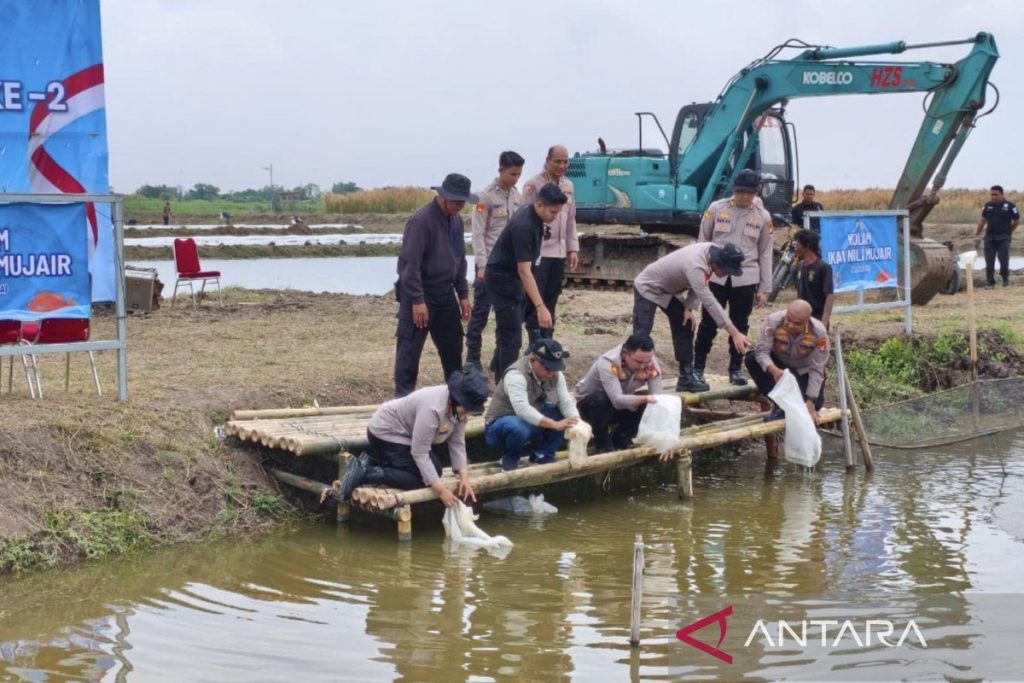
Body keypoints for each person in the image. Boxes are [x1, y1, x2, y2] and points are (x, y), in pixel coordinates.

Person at [339, 368, 490, 506]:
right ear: (457, 399)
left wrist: (464, 476)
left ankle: (370, 462)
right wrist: (441, 491)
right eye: (467, 408)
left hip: (408, 436)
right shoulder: (432, 409)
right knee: (423, 481)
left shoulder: (459, 410)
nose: (467, 414)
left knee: (434, 472)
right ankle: (367, 472)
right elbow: (420, 453)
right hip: (386, 432)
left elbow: (457, 442)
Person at [393, 173, 474, 397]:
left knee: (453, 350)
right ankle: (402, 403)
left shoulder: (456, 221)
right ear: (443, 196)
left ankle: (455, 403)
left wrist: (463, 294)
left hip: (445, 293)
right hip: (420, 294)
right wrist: (417, 300)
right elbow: (409, 265)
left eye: (462, 202)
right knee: (409, 354)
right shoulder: (421, 221)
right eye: (455, 201)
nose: (459, 206)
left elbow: (460, 259)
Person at [632, 241, 751, 392]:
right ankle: (632, 373)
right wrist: (734, 333)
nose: (727, 274)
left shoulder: (710, 253)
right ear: (718, 263)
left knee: (685, 324)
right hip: (648, 286)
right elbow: (709, 301)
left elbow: (701, 282)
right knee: (641, 334)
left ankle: (686, 376)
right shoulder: (697, 265)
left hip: (669, 290)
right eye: (727, 270)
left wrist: (688, 307)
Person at [694, 169, 773, 387]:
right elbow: (702, 241)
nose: (745, 197)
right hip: (716, 275)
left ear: (756, 192)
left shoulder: (762, 216)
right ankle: (698, 367)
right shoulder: (716, 208)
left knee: (740, 323)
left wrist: (764, 288)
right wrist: (702, 271)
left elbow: (766, 252)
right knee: (709, 322)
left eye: (750, 193)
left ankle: (736, 368)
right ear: (734, 190)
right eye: (741, 192)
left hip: (745, 278)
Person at [485, 183, 569, 378]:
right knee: (512, 338)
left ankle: (500, 372)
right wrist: (540, 306)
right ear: (539, 205)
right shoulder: (524, 226)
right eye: (553, 212)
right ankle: (506, 385)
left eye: (558, 212)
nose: (555, 216)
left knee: (509, 333)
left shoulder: (535, 216)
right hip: (503, 280)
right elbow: (523, 271)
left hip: (515, 279)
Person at [465, 151, 525, 370]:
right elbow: (478, 234)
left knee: (507, 315)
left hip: (509, 268)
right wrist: (482, 265)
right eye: (512, 174)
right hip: (489, 265)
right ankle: (472, 358)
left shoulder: (517, 196)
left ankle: (499, 359)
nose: (515, 178)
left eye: (519, 174)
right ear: (501, 170)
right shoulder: (485, 197)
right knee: (480, 314)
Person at [484, 338, 580, 471]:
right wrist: (555, 425)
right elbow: (522, 409)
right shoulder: (515, 375)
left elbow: (566, 402)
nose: (551, 373)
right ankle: (509, 461)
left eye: (555, 368)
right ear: (533, 360)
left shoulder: (555, 375)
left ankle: (542, 456)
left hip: (529, 421)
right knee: (517, 427)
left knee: (561, 414)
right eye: (548, 368)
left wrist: (579, 424)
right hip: (499, 427)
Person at [521, 145, 578, 343]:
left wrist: (573, 248)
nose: (562, 166)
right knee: (536, 298)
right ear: (548, 160)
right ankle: (535, 344)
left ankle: (548, 342)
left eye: (565, 162)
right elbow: (525, 218)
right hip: (540, 252)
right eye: (557, 161)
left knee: (552, 298)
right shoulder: (533, 185)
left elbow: (570, 219)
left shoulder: (568, 185)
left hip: (559, 252)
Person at [574, 333, 663, 453]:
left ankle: (622, 438)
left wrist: (663, 436)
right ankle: (603, 444)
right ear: (625, 353)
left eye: (647, 362)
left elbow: (658, 397)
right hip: (591, 408)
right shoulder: (609, 362)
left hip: (620, 403)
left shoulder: (649, 362)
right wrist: (646, 398)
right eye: (638, 362)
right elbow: (617, 400)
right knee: (600, 398)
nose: (643, 366)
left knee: (651, 401)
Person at [745, 299, 829, 425]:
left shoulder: (819, 333)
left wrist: (811, 401)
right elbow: (762, 351)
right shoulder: (773, 321)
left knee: (814, 404)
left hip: (803, 371)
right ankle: (781, 405)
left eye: (797, 323)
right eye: (788, 320)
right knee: (752, 359)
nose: (790, 325)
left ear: (807, 321)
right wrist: (773, 369)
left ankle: (796, 405)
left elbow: (817, 368)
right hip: (779, 366)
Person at [974, 185, 1019, 289]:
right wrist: (977, 235)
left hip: (1004, 238)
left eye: (996, 195)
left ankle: (1005, 279)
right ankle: (990, 283)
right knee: (989, 261)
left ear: (1002, 194)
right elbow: (982, 221)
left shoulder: (1010, 206)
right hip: (990, 237)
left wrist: (1009, 232)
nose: (993, 197)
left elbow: (1016, 221)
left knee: (1003, 259)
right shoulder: (988, 205)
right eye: (992, 195)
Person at [793, 229, 834, 329]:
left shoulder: (823, 267)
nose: (795, 249)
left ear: (807, 246)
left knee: (812, 339)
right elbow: (799, 294)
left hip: (817, 321)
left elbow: (829, 296)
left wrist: (824, 321)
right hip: (802, 320)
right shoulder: (799, 267)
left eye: (797, 245)